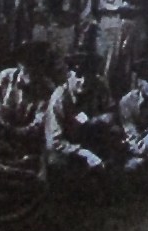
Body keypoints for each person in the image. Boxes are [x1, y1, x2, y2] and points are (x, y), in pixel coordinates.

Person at [44, 51, 119, 183]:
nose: (84, 81)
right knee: (59, 164)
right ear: (69, 75)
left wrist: (99, 120)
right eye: (78, 75)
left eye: (89, 75)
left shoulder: (99, 86)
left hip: (93, 141)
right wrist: (85, 154)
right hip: (67, 150)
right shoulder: (60, 98)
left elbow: (111, 112)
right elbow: (55, 141)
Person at [0, 38, 55, 154]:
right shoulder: (6, 76)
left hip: (24, 143)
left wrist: (14, 131)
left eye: (37, 66)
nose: (32, 71)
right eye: (27, 66)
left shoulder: (47, 90)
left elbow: (39, 124)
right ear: (20, 64)